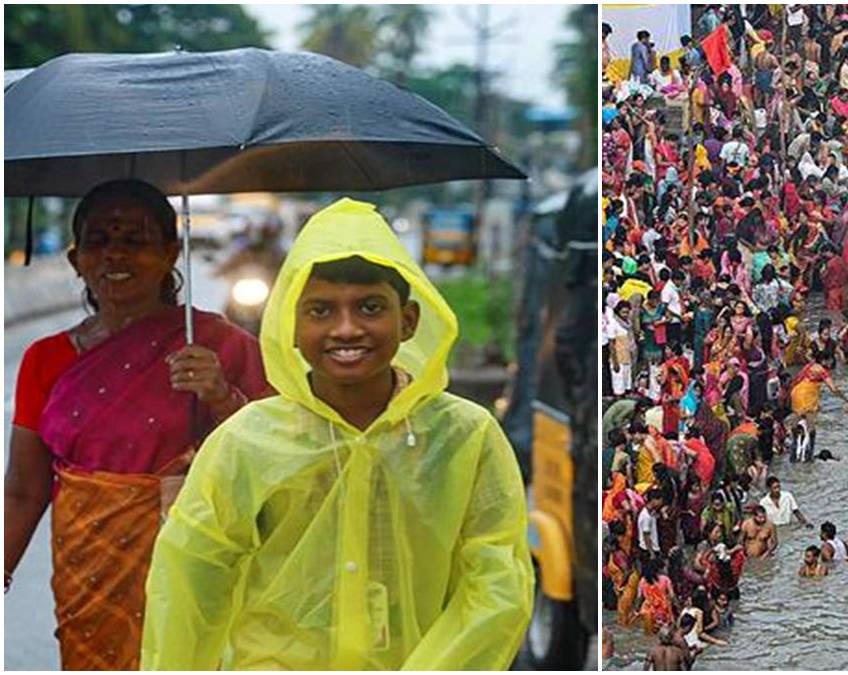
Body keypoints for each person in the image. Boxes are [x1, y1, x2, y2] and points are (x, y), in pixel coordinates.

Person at [140, 199, 533, 669]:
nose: (346, 329)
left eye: (369, 308)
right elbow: (189, 579)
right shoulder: (246, 441)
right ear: (290, 323)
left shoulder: (465, 438)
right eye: (321, 311)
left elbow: (496, 586)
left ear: (408, 320)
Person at [5, 180, 269, 671]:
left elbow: (280, 459)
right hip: (87, 569)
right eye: (99, 241)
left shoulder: (219, 346)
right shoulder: (46, 359)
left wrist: (219, 396)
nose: (115, 255)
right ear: (75, 258)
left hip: (196, 560)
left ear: (170, 252)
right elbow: (24, 488)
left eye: (135, 240)